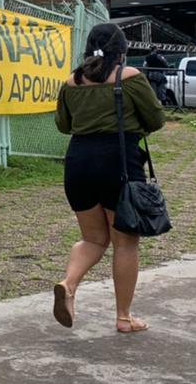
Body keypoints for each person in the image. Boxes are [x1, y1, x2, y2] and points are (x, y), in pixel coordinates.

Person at [53, 23, 166, 335]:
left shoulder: (71, 82)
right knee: (125, 241)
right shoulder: (129, 78)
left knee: (93, 238)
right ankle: (124, 317)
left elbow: (64, 125)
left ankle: (69, 285)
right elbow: (156, 119)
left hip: (78, 164)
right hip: (119, 163)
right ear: (122, 50)